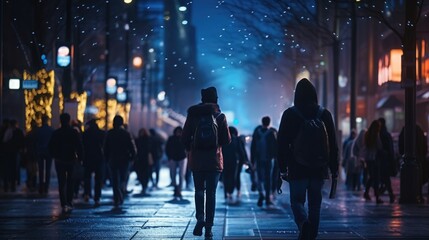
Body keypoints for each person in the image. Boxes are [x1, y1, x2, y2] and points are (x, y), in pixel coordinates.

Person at [277, 78, 339, 240]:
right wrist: (334, 168)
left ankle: (304, 224)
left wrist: (282, 167)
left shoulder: (290, 114)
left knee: (297, 202)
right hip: (319, 168)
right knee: (315, 206)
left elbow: (281, 143)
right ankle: (312, 236)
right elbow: (332, 143)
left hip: (297, 167)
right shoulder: (324, 114)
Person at [181, 86, 231, 239]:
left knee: (198, 191)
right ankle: (209, 228)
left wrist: (191, 147)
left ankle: (200, 218)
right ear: (215, 99)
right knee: (211, 193)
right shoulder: (220, 116)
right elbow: (226, 140)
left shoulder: (193, 115)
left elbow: (184, 137)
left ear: (202, 99)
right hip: (214, 161)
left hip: (197, 160)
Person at [49, 113, 83, 214]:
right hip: (71, 159)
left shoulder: (56, 133)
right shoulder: (73, 132)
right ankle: (69, 201)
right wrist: (80, 158)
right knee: (70, 181)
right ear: (68, 120)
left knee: (61, 181)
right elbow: (79, 146)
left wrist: (55, 155)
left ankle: (63, 203)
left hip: (59, 160)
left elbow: (51, 146)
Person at [104, 115, 136, 208]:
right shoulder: (126, 133)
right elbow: (131, 147)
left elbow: (106, 147)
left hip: (113, 159)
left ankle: (117, 197)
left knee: (114, 179)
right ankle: (121, 191)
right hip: (124, 159)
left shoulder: (110, 133)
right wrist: (132, 157)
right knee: (123, 177)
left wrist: (106, 158)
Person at [250, 116, 278, 207]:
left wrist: (252, 161)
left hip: (258, 159)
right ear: (269, 122)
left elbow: (253, 147)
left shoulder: (257, 132)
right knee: (268, 179)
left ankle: (261, 194)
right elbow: (275, 147)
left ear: (262, 122)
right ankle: (267, 198)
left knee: (259, 178)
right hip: (269, 159)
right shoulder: (272, 132)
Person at [398, 124, 428, 203]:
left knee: (409, 179)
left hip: (409, 158)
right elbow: (424, 145)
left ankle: (409, 194)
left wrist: (402, 154)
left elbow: (400, 143)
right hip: (419, 158)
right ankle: (419, 195)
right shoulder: (419, 130)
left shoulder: (405, 130)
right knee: (419, 178)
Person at [82, 119, 106, 207]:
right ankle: (97, 197)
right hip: (98, 158)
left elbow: (82, 146)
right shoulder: (101, 133)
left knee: (87, 177)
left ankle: (87, 193)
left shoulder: (86, 134)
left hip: (88, 158)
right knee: (98, 179)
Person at [222, 126, 248, 203]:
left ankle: (226, 192)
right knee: (234, 176)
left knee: (225, 176)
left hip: (224, 160)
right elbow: (241, 151)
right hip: (234, 161)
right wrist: (245, 160)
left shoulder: (224, 139)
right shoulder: (237, 139)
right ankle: (232, 191)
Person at [363, 120, 383, 204]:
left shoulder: (367, 134)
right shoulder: (376, 135)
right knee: (375, 178)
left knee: (371, 177)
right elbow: (379, 147)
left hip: (368, 159)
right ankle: (377, 196)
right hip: (374, 158)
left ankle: (367, 193)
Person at [2, 119, 25, 192]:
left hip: (8, 152)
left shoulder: (7, 131)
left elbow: (4, 141)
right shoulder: (19, 131)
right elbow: (22, 141)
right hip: (15, 152)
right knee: (15, 168)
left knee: (9, 168)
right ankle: (14, 183)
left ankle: (9, 183)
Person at [165, 126, 187, 199]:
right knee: (172, 175)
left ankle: (179, 190)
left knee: (181, 175)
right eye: (177, 131)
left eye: (180, 131)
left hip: (182, 158)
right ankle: (176, 188)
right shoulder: (171, 138)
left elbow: (188, 147)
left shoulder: (184, 138)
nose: (178, 133)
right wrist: (169, 157)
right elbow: (167, 148)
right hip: (173, 158)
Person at [377, 118, 396, 203]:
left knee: (382, 178)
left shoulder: (381, 134)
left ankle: (387, 194)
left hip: (382, 160)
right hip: (386, 160)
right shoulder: (386, 134)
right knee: (384, 178)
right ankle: (388, 194)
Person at [35, 115, 54, 195]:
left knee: (41, 170)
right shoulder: (51, 130)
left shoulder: (38, 130)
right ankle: (46, 187)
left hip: (40, 151)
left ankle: (41, 187)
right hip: (49, 152)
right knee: (48, 170)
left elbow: (36, 141)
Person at [134, 128, 152, 196]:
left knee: (146, 173)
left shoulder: (147, 139)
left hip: (145, 159)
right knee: (141, 173)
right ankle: (143, 185)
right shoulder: (138, 140)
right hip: (140, 159)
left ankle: (144, 186)